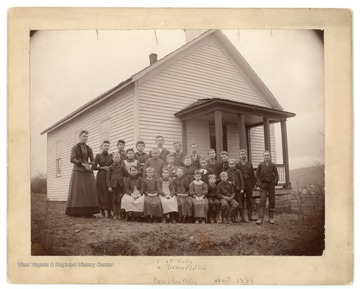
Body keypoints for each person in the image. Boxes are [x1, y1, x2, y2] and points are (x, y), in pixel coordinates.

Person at [66, 130, 100, 217]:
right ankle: (77, 212)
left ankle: (89, 212)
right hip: (78, 170)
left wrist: (91, 165)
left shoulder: (89, 148)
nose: (85, 138)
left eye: (86, 136)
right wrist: (82, 164)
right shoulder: (75, 147)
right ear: (80, 137)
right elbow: (72, 159)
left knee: (89, 191)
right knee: (79, 191)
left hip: (88, 170)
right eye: (83, 136)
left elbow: (93, 159)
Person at [255, 150, 279, 225]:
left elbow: (277, 175)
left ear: (270, 156)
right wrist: (259, 182)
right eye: (265, 155)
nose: (266, 157)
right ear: (263, 157)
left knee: (272, 200)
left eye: (267, 155)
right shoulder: (260, 165)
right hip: (263, 185)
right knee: (262, 200)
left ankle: (271, 217)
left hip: (271, 185)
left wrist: (274, 182)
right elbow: (257, 175)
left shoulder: (273, 165)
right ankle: (260, 218)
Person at [106, 152, 129, 220]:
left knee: (119, 200)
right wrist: (109, 186)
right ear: (113, 159)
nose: (117, 159)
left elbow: (127, 174)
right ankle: (115, 214)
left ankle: (119, 214)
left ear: (120, 159)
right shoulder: (110, 168)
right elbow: (107, 178)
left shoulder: (122, 167)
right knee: (114, 200)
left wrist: (123, 180)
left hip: (120, 185)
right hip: (113, 186)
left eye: (118, 157)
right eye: (115, 157)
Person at [94, 140, 113, 218]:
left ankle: (109, 212)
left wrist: (109, 168)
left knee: (108, 193)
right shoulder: (98, 156)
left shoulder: (111, 156)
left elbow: (113, 165)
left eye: (108, 146)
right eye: (105, 146)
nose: (106, 147)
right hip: (101, 175)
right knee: (101, 192)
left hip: (108, 175)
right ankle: (102, 211)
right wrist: (101, 167)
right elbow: (94, 166)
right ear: (102, 147)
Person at [237, 149, 257, 221]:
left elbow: (252, 175)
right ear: (239, 156)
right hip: (241, 184)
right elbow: (237, 176)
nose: (243, 155)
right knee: (241, 200)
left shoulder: (249, 164)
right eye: (241, 154)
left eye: (244, 154)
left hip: (248, 183)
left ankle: (250, 216)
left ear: (246, 155)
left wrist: (253, 184)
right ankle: (242, 217)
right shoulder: (238, 164)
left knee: (249, 200)